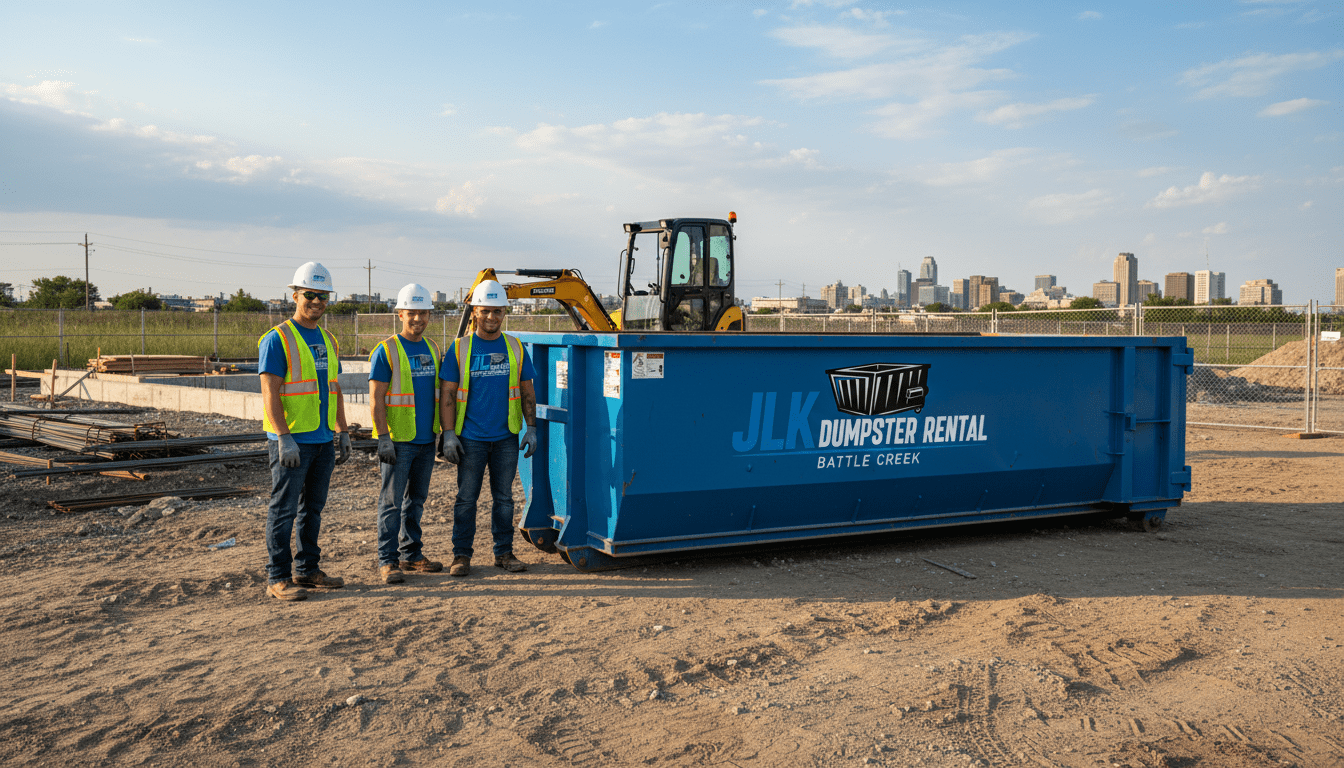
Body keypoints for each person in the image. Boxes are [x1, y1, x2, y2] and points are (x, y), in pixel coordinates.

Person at [257, 261, 352, 601]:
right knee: (283, 510)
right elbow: (270, 392)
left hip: (322, 439)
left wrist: (342, 431)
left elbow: (333, 388)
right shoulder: (277, 338)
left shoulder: (328, 339)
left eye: (323, 296)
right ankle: (278, 577)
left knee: (313, 509)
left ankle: (308, 569)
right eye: (310, 295)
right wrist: (283, 437)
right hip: (293, 442)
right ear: (295, 295)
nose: (317, 301)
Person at [438, 279, 538, 577]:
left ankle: (504, 554)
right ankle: (461, 556)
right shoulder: (460, 348)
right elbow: (447, 394)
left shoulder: (515, 347)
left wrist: (530, 428)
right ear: (474, 313)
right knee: (466, 499)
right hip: (470, 439)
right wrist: (448, 434)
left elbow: (527, 391)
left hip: (506, 437)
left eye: (497, 311)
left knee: (504, 499)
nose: (491, 317)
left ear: (504, 312)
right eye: (485, 311)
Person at [369, 283, 444, 585]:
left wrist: (442, 434)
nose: (418, 319)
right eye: (412, 313)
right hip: (398, 440)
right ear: (400, 314)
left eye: (423, 313)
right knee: (391, 502)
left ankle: (411, 554)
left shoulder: (432, 348)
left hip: (426, 439)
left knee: (416, 501)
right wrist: (383, 436)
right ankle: (388, 561)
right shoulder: (386, 350)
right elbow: (376, 398)